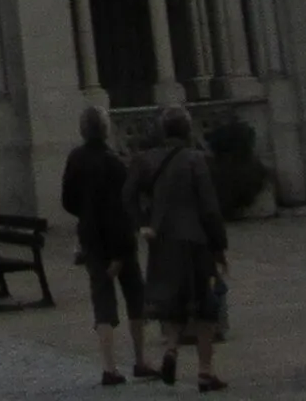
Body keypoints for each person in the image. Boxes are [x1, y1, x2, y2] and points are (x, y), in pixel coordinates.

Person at [61, 105, 157, 386]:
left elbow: (67, 200)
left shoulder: (75, 159)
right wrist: (120, 252)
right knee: (135, 298)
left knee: (102, 301)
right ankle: (139, 360)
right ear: (105, 130)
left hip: (91, 239)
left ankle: (109, 367)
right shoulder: (114, 163)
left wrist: (85, 214)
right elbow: (123, 208)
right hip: (119, 243)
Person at [140, 105, 229, 392]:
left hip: (164, 241)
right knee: (206, 305)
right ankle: (205, 371)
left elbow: (132, 196)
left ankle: (171, 350)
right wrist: (219, 246)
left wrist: (146, 223)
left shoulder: (149, 161)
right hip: (194, 241)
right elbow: (210, 208)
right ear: (188, 130)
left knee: (174, 302)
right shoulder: (194, 160)